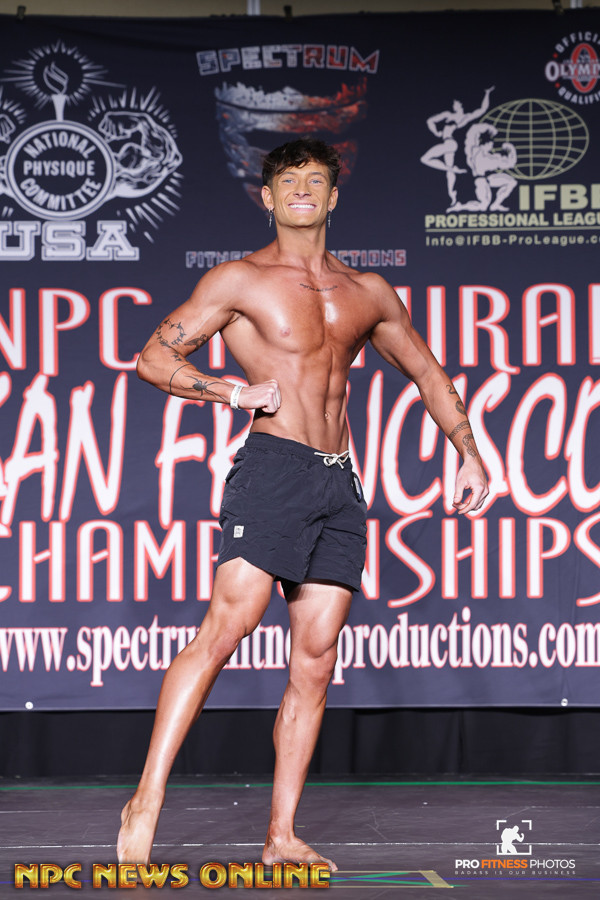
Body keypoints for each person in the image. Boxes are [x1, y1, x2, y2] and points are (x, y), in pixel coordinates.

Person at [117, 137, 489, 872]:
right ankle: (146, 799)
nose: (301, 190)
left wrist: (469, 451)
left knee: (316, 660)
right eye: (288, 181)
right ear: (267, 197)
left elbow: (426, 370)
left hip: (339, 482)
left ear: (332, 197)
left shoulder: (367, 291)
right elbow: (153, 358)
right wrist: (232, 391)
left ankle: (281, 835)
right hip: (274, 470)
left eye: (315, 180)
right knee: (227, 628)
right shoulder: (240, 280)